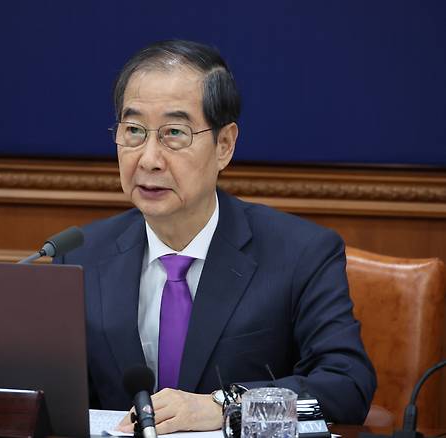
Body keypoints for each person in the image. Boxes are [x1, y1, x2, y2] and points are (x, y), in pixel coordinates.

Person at [55, 40, 376, 433]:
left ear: (224, 145)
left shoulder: (301, 253)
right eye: (134, 131)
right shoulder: (80, 256)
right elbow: (53, 395)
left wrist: (225, 405)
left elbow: (348, 386)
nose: (150, 159)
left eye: (175, 133)